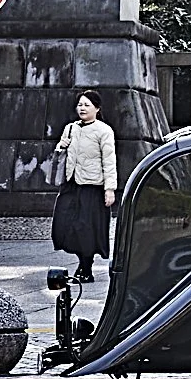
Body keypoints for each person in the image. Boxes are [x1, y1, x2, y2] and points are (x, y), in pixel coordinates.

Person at [51, 90, 117, 283]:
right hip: (71, 184)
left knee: (86, 228)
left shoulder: (104, 131)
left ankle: (85, 269)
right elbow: (61, 156)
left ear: (97, 108)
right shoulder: (70, 128)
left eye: (87, 105)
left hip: (92, 186)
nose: (82, 108)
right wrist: (60, 147)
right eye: (80, 104)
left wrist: (110, 189)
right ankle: (83, 264)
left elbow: (109, 160)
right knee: (64, 224)